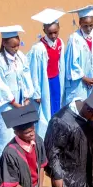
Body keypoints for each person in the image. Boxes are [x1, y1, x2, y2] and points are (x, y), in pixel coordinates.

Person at [0, 27, 35, 163]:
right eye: (13, 46)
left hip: (21, 103)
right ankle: (3, 169)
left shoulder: (21, 57)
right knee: (6, 138)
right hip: (7, 107)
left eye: (17, 45)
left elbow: (27, 75)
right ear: (4, 44)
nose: (16, 49)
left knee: (21, 136)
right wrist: (15, 103)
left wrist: (27, 96)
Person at [27, 9, 66, 138]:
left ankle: (56, 132)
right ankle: (45, 137)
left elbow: (61, 63)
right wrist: (37, 91)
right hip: (45, 83)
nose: (53, 36)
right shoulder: (38, 49)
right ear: (44, 31)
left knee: (56, 106)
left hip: (56, 81)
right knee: (44, 111)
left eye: (56, 32)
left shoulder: (60, 43)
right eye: (50, 33)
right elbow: (34, 71)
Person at [64, 7, 93, 103]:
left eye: (91, 25)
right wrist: (84, 78)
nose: (89, 28)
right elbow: (72, 63)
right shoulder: (74, 39)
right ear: (80, 23)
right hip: (79, 82)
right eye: (85, 26)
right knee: (80, 106)